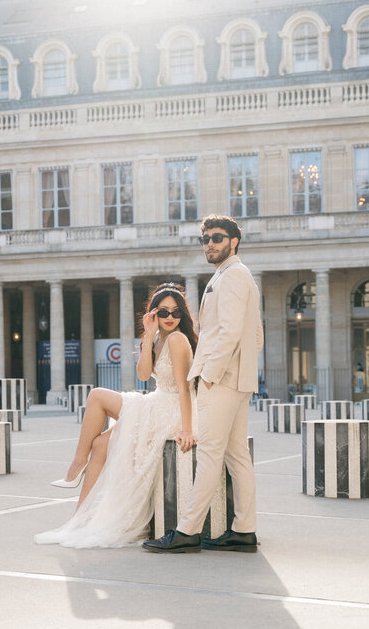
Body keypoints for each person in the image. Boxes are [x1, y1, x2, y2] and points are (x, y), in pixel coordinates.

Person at [35, 283, 197, 548]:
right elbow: (144, 375)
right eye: (164, 311)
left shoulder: (178, 339)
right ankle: (79, 519)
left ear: (183, 315)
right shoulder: (158, 337)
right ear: (154, 313)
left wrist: (188, 429)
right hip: (156, 402)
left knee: (97, 396)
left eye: (176, 312)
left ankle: (76, 466)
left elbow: (184, 389)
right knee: (99, 445)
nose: (170, 317)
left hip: (171, 410)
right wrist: (148, 335)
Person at [143, 215, 263, 554]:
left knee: (209, 455)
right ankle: (244, 530)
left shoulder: (232, 277)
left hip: (221, 381)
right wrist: (241, 370)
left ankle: (186, 531)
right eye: (205, 238)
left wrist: (210, 375)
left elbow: (227, 333)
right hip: (236, 379)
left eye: (217, 237)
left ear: (234, 241)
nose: (210, 243)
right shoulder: (235, 276)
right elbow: (255, 335)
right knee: (237, 456)